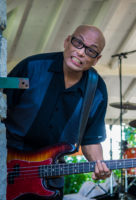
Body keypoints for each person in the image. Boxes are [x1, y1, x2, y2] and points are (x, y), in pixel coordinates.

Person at [4, 25, 111, 199]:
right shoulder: (31, 67)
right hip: (8, 161)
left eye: (91, 51)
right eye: (78, 43)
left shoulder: (97, 89)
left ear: (96, 59)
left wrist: (99, 165)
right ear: (67, 41)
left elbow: (91, 139)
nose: (81, 52)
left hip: (49, 175)